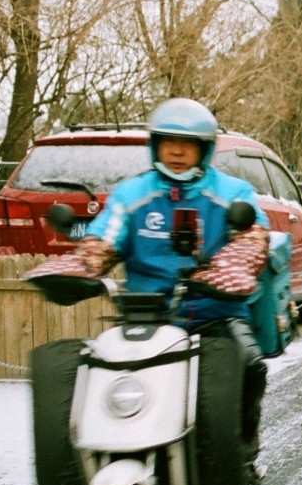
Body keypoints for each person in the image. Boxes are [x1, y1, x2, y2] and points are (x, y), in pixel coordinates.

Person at [28, 98, 273, 458]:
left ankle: (243, 443)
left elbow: (251, 238)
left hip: (215, 312)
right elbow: (105, 237)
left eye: (187, 144)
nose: (176, 152)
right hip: (148, 316)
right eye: (167, 141)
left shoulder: (233, 193)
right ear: (153, 145)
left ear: (204, 150)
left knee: (249, 365)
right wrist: (82, 266)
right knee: (98, 370)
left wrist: (229, 270)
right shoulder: (132, 193)